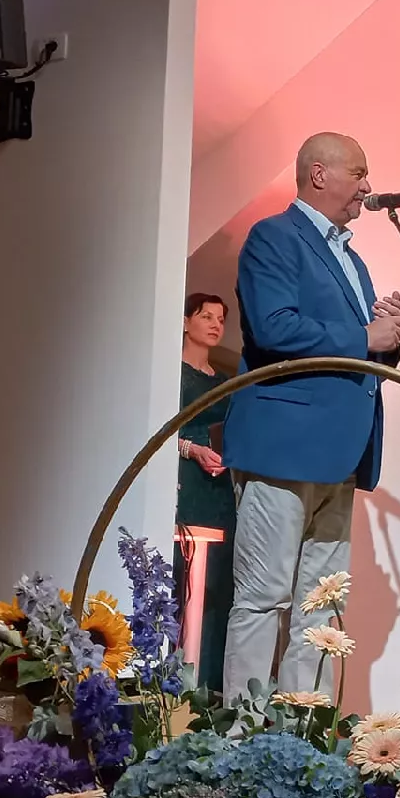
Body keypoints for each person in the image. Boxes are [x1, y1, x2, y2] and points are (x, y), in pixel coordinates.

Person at [223, 132, 400, 696]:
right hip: (283, 445)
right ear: (319, 174)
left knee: (321, 607)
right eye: (359, 172)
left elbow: (360, 351)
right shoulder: (274, 236)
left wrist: (389, 336)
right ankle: (242, 733)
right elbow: (273, 327)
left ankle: (305, 731)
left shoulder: (352, 259)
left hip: (340, 452)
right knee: (263, 597)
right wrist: (364, 335)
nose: (368, 186)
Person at [177, 293, 236, 688]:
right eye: (206, 316)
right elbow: (156, 431)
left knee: (218, 577)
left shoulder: (226, 383)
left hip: (217, 485)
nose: (215, 324)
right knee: (182, 573)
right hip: (184, 481)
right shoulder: (172, 372)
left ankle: (210, 684)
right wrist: (192, 449)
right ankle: (174, 680)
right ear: (185, 322)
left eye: (220, 319)